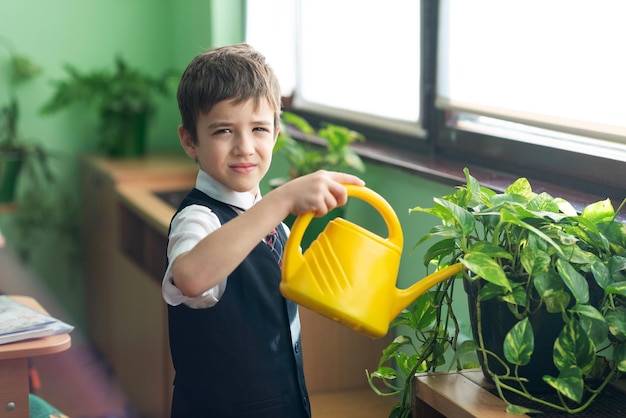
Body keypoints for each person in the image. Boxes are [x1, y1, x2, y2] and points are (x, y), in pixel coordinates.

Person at [162, 43, 365, 418]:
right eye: (223, 131)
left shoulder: (271, 223)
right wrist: (283, 200)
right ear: (190, 140)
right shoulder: (198, 218)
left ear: (274, 132)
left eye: (258, 128)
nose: (245, 147)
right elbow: (189, 277)